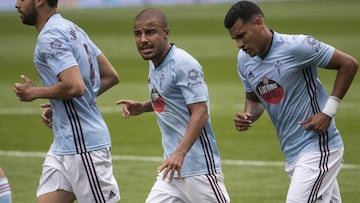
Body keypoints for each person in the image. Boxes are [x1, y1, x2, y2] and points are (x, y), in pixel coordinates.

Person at [224, 1, 358, 202]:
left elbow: (348, 64)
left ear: (259, 23)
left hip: (318, 147)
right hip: (292, 152)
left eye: (242, 36)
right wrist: (248, 115)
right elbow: (254, 101)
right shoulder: (244, 61)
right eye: (235, 39)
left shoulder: (297, 46)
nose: (240, 45)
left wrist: (327, 112)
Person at [116, 8, 230, 203]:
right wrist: (143, 107)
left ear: (165, 33)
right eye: (138, 34)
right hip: (171, 172)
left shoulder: (183, 63)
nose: (143, 39)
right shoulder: (154, 62)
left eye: (150, 32)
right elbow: (170, 98)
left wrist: (179, 153)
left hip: (198, 169)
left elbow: (200, 112)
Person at [14, 0, 121, 202]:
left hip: (83, 145)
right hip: (63, 144)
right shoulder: (72, 28)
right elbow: (110, 76)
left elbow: (75, 86)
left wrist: (35, 92)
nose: (17, 4)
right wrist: (59, 103)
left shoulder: (50, 35)